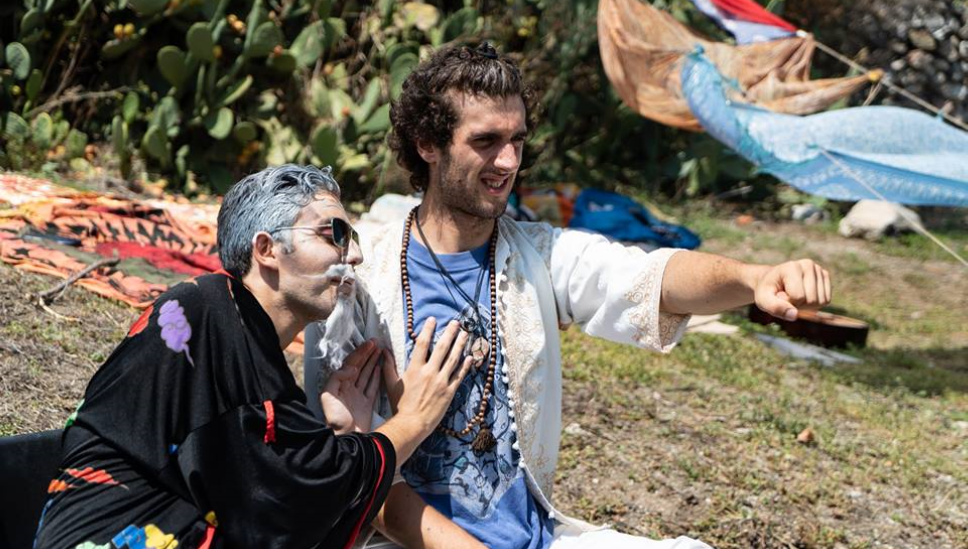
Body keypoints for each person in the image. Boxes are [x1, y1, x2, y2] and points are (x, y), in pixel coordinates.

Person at [304, 44, 832, 549]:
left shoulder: (537, 256)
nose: (509, 161)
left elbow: (654, 276)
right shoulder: (359, 279)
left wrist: (753, 278)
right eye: (486, 141)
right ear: (428, 144)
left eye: (518, 140)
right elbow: (355, 477)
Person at [32, 165, 473, 549]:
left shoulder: (242, 340)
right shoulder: (202, 313)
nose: (354, 255)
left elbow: (270, 490)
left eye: (353, 237)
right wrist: (413, 420)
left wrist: (339, 434)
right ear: (266, 250)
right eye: (335, 234)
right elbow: (288, 497)